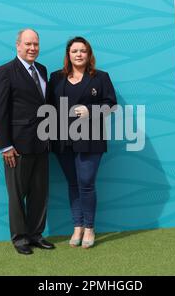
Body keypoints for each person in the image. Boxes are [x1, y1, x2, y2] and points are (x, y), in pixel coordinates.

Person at [47, 36, 117, 248]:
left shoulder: (101, 77)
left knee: (86, 184)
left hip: (91, 139)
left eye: (83, 51)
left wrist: (91, 110)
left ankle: (89, 228)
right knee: (73, 184)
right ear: (68, 55)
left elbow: (111, 105)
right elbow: (48, 107)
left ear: (89, 54)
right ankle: (77, 226)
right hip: (63, 140)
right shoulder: (56, 78)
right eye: (74, 51)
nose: (78, 54)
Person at [0, 29, 55, 255]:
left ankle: (36, 234)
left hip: (42, 143)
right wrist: (5, 145)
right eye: (28, 44)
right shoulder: (4, 72)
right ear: (18, 45)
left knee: (40, 192)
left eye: (36, 44)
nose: (32, 48)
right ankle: (20, 239)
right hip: (16, 147)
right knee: (17, 195)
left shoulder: (42, 70)